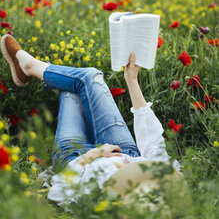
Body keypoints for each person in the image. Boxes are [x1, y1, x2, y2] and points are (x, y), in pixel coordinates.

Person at [0, 34, 180, 205]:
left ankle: (30, 66)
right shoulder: (166, 181)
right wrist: (132, 79)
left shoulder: (100, 201)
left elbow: (60, 190)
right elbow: (153, 143)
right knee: (89, 77)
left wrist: (90, 157)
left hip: (76, 158)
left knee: (71, 88)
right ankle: (28, 66)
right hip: (125, 151)